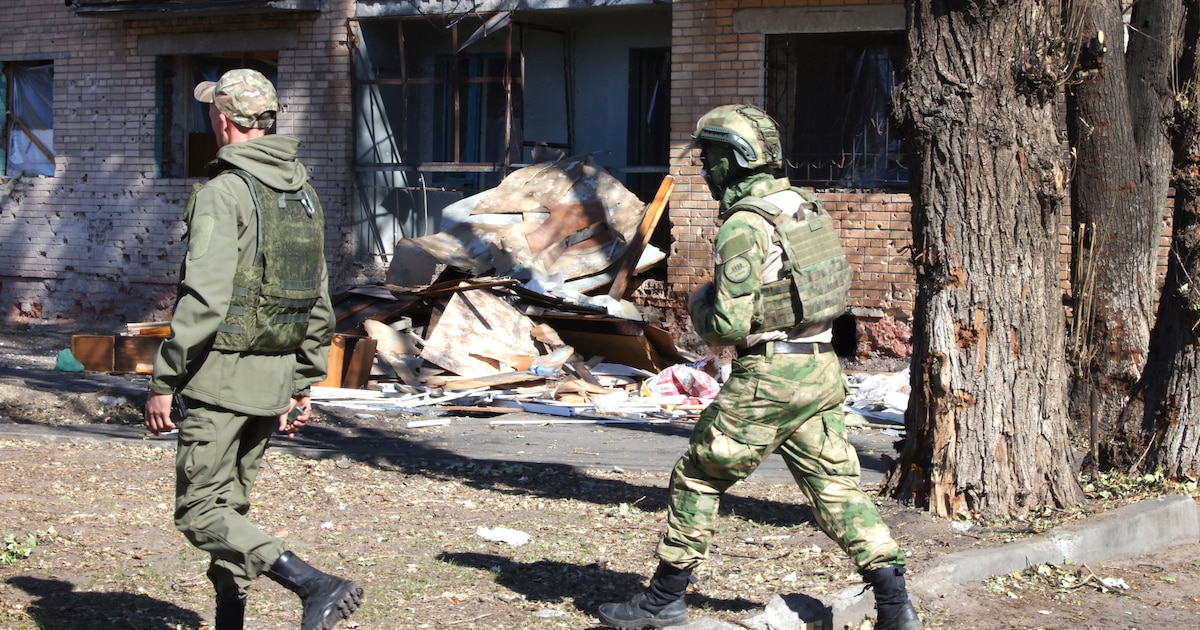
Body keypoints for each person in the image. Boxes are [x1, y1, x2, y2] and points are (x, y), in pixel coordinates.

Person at [597, 104, 922, 630]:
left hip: (771, 377)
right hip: (820, 370)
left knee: (699, 476)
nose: (705, 169)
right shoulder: (803, 206)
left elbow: (726, 327)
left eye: (711, 157)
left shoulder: (745, 225)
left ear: (738, 159)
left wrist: (701, 300)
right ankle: (895, 605)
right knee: (837, 488)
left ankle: (663, 599)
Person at [143, 68, 363, 630]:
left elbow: (205, 299)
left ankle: (314, 583)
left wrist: (165, 380)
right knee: (230, 510)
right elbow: (318, 299)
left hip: (220, 380)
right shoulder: (302, 193)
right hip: (272, 380)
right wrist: (302, 380)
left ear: (221, 119)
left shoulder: (223, 192)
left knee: (199, 511)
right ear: (264, 121)